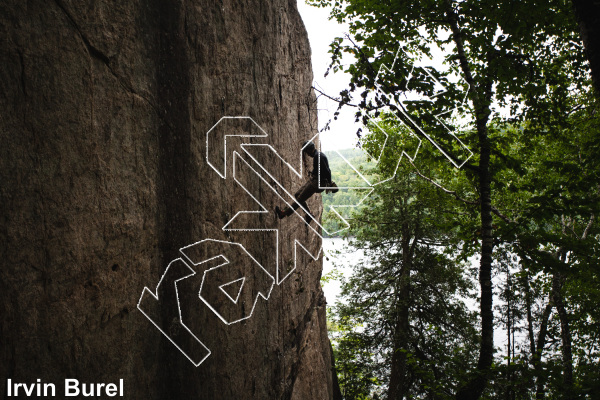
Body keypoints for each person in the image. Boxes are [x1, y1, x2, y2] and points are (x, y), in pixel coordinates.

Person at [275, 141, 331, 225]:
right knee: (297, 194)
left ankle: (284, 213)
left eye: (307, 152)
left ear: (309, 150)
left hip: (317, 183)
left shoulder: (318, 157)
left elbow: (327, 171)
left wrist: (329, 184)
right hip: (316, 181)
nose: (307, 155)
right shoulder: (318, 155)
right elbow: (324, 170)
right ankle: (308, 215)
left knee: (300, 199)